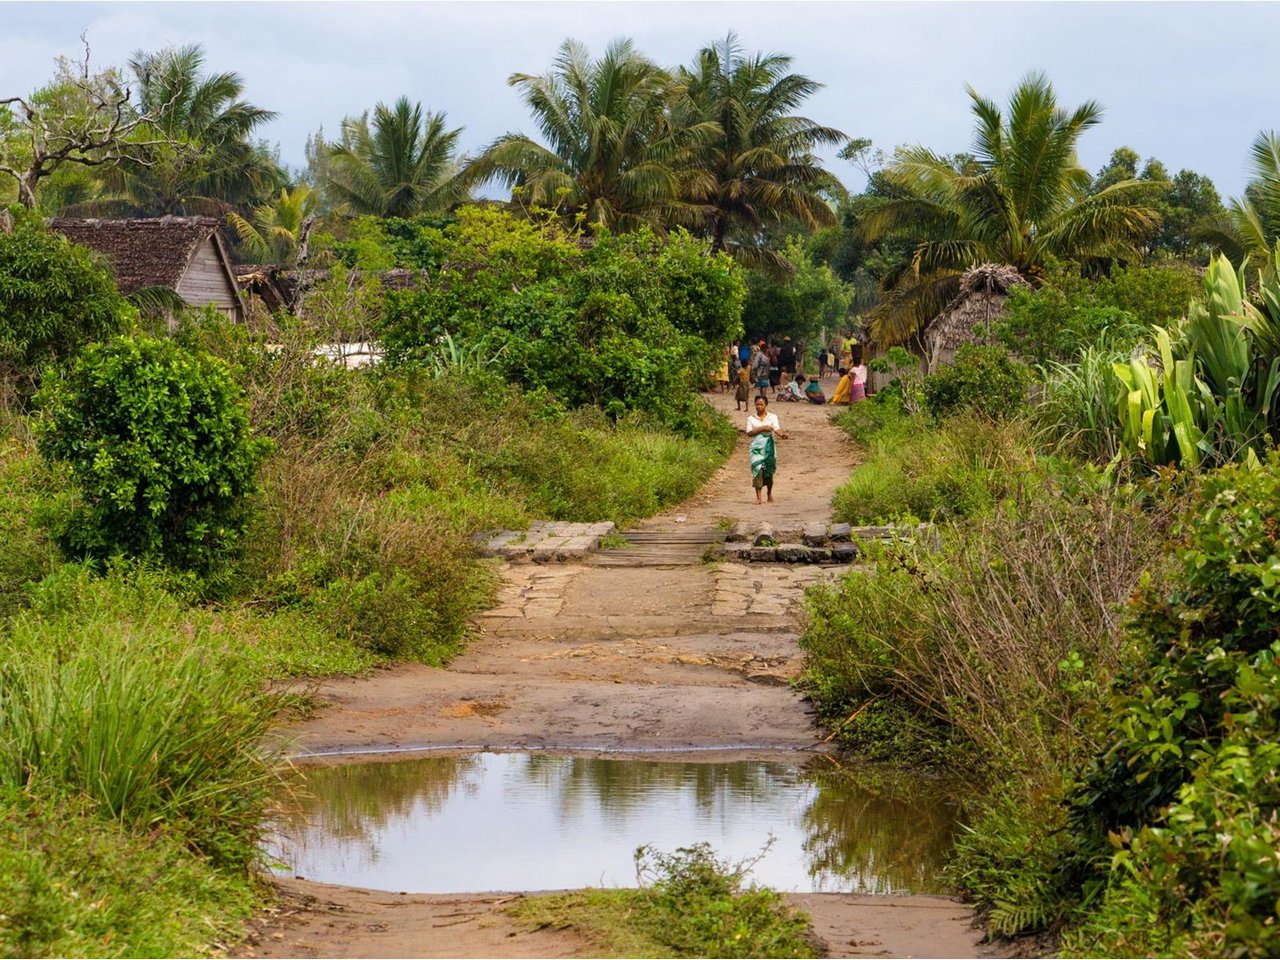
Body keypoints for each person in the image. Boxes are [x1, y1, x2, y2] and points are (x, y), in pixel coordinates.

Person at [746, 394, 786, 504]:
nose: (759, 406)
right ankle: (759, 497)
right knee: (757, 470)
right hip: (756, 449)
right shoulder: (751, 419)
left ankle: (769, 493)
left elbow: (777, 428)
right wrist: (762, 428)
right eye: (757, 404)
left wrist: (782, 435)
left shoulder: (772, 417)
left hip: (769, 449)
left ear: (766, 405)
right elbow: (749, 433)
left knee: (768, 471)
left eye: (761, 404)